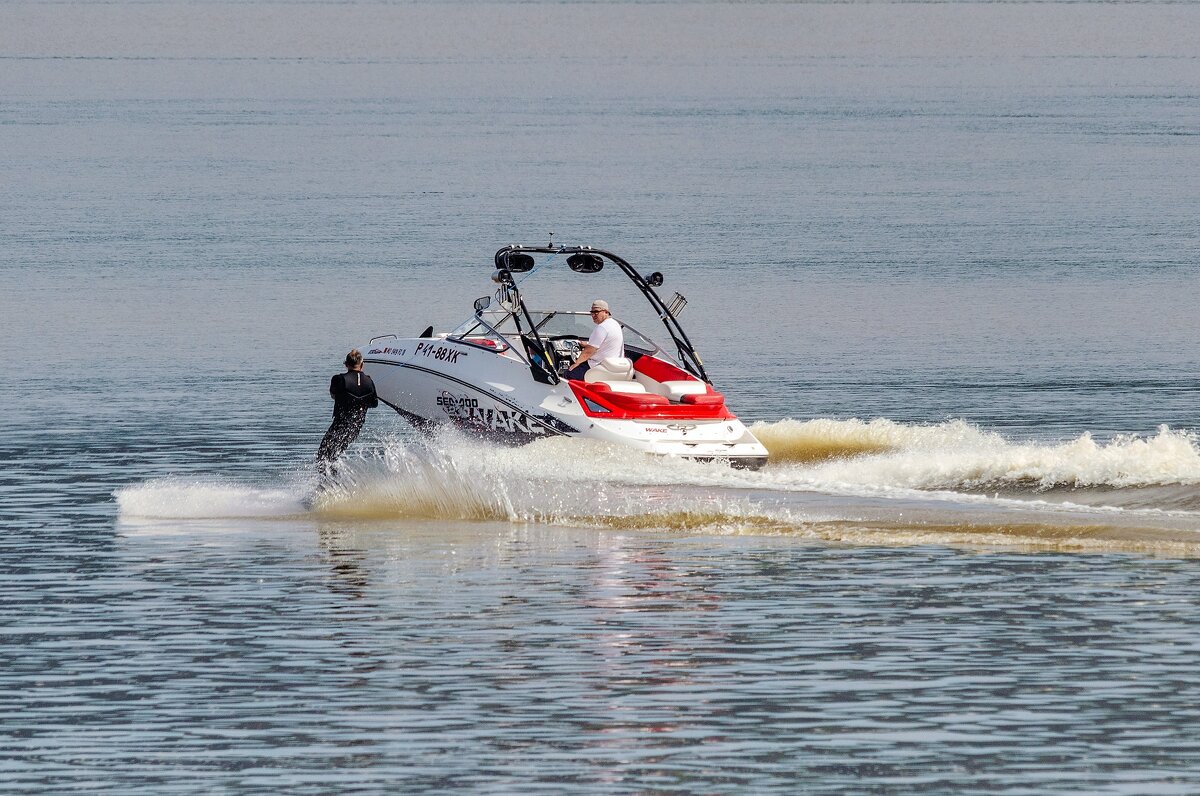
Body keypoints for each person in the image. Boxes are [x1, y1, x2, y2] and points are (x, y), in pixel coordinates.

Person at [315, 349, 378, 480]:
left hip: (340, 426)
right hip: (355, 428)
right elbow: (374, 403)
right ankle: (334, 482)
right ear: (362, 364)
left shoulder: (338, 379)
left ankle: (330, 485)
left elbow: (333, 395)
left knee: (323, 456)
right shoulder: (369, 382)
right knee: (333, 455)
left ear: (346, 364)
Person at [562, 299, 624, 380]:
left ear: (606, 312)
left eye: (596, 312)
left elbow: (589, 351)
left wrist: (576, 363)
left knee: (568, 374)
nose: (593, 315)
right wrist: (586, 345)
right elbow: (604, 345)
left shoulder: (602, 328)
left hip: (599, 366)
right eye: (592, 312)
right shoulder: (615, 324)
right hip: (613, 365)